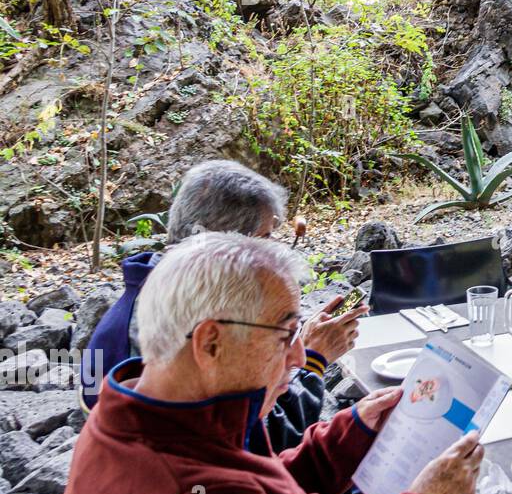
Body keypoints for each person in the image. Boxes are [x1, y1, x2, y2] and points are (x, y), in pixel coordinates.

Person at [59, 232, 482, 494]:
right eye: (285, 336)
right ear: (211, 343)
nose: (300, 358)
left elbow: (262, 491)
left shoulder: (158, 411)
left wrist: (348, 433)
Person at [80, 160, 361, 453]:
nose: (273, 251)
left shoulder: (166, 291)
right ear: (218, 242)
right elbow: (257, 442)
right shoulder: (182, 327)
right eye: (265, 238)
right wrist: (314, 359)